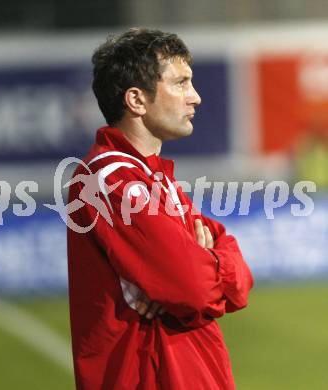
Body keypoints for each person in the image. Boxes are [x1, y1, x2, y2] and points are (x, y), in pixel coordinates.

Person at [67, 28, 254, 390]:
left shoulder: (153, 178)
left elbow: (237, 272)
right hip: (154, 376)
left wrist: (209, 263)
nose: (195, 97)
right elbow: (194, 290)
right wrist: (203, 267)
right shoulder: (109, 178)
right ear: (137, 100)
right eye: (181, 83)